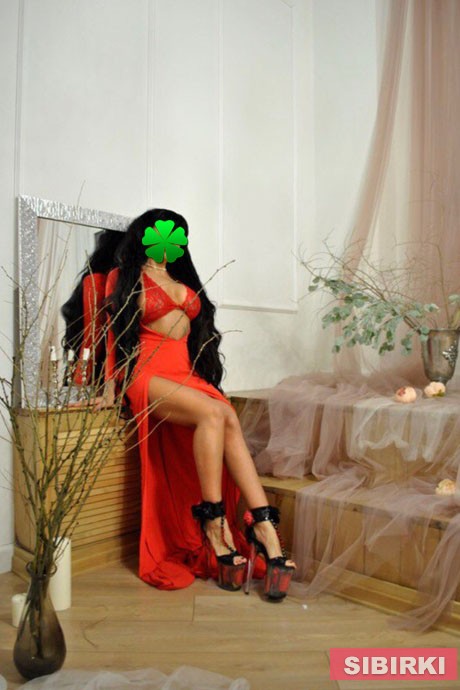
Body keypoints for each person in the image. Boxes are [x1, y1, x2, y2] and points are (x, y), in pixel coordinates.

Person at [95, 208, 296, 599]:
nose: (169, 240)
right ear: (144, 235)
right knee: (212, 413)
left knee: (226, 415)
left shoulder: (181, 278)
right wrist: (107, 386)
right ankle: (213, 524)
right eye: (161, 232)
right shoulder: (124, 277)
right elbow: (113, 333)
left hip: (184, 373)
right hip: (148, 373)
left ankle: (264, 528)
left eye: (177, 234)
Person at [61, 229, 124, 386]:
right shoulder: (99, 281)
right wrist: (78, 385)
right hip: (101, 375)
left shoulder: (106, 280)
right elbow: (93, 337)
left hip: (108, 373)